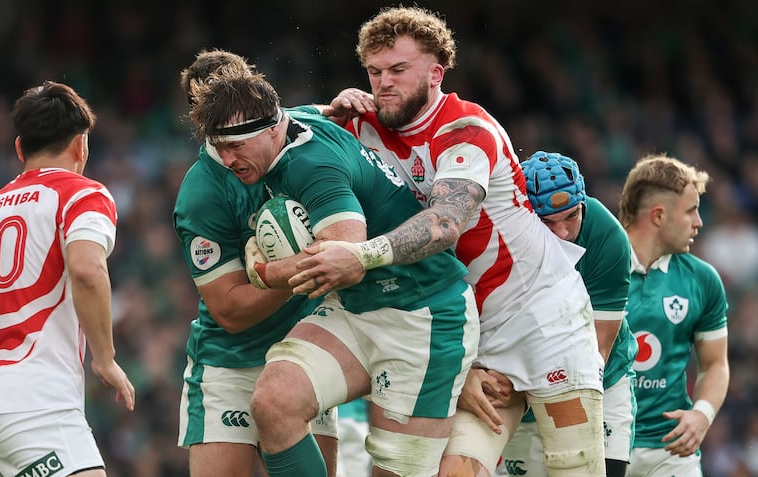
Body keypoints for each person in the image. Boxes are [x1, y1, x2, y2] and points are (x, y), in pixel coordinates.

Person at [291, 6, 605, 476]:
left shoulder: (466, 128)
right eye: (374, 72)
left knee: (573, 466)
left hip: (544, 320)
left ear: (436, 73)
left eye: (399, 70)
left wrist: (361, 255)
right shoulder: (361, 127)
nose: (384, 83)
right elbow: (277, 133)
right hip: (465, 326)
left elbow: (444, 224)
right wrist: (325, 111)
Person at [191, 56, 479, 477]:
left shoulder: (311, 166)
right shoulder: (295, 124)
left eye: (236, 146)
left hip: (424, 318)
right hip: (356, 311)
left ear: (272, 129)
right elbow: (312, 111)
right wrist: (336, 103)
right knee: (274, 402)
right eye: (219, 147)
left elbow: (342, 259)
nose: (228, 159)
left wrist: (261, 267)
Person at [173, 49, 337, 477]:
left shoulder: (293, 132)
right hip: (231, 363)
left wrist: (354, 100)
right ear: (198, 118)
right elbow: (228, 311)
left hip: (305, 353)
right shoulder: (202, 193)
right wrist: (299, 271)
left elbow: (321, 114)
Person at [0, 81, 135, 477]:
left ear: (20, 148)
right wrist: (105, 359)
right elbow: (88, 270)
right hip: (35, 403)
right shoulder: (82, 194)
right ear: (81, 146)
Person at [493, 151, 637, 477]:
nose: (561, 232)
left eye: (571, 216)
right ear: (525, 213)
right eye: (546, 222)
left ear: (583, 203)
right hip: (520, 384)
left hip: (599, 377)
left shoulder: (609, 237)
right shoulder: (501, 236)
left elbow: (599, 348)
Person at [618, 154, 729, 477]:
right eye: (691, 211)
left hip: (669, 449)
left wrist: (702, 415)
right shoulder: (594, 269)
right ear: (658, 216)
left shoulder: (702, 279)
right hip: (599, 441)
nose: (699, 222)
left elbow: (715, 364)